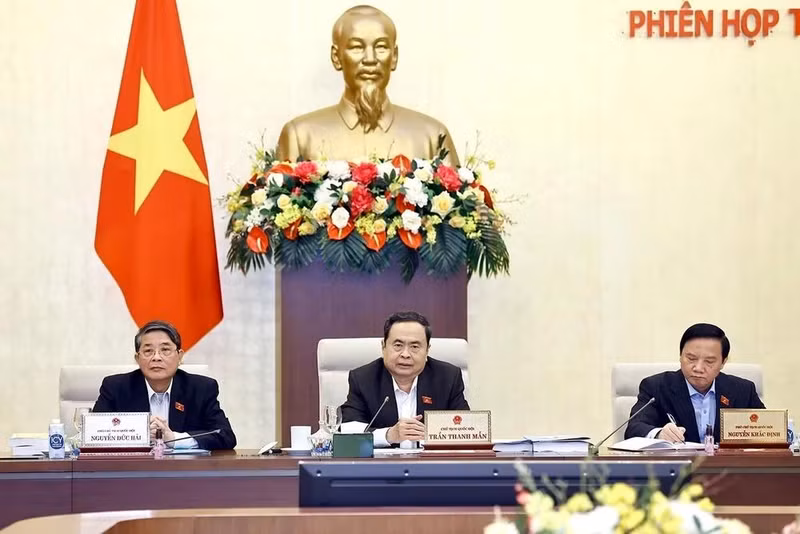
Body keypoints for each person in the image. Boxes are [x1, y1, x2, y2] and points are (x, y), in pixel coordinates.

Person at [276, 5, 459, 165]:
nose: (370, 59)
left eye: (381, 47)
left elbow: (470, 204)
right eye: (356, 47)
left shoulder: (432, 136)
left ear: (394, 57)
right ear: (336, 57)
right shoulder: (300, 136)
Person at [93, 320, 236, 450]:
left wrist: (173, 439)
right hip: (131, 473)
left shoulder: (200, 389)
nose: (156, 357)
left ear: (179, 356)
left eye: (165, 350)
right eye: (148, 351)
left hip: (184, 474)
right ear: (137, 358)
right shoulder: (116, 387)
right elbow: (93, 434)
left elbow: (225, 436)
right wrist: (137, 432)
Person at [341, 311, 469, 447]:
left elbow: (465, 429)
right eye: (398, 345)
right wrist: (388, 435)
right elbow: (348, 434)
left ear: (427, 350)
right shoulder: (363, 379)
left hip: (432, 466)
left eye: (414, 347)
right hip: (381, 466)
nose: (405, 354)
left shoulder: (447, 378)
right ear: (383, 347)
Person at [624, 323, 764, 444]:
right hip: (679, 470)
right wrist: (659, 434)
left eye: (709, 362)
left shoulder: (742, 390)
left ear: (723, 362)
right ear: (680, 356)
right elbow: (634, 428)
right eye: (691, 358)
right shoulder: (656, 387)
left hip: (729, 471)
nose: (698, 368)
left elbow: (768, 430)